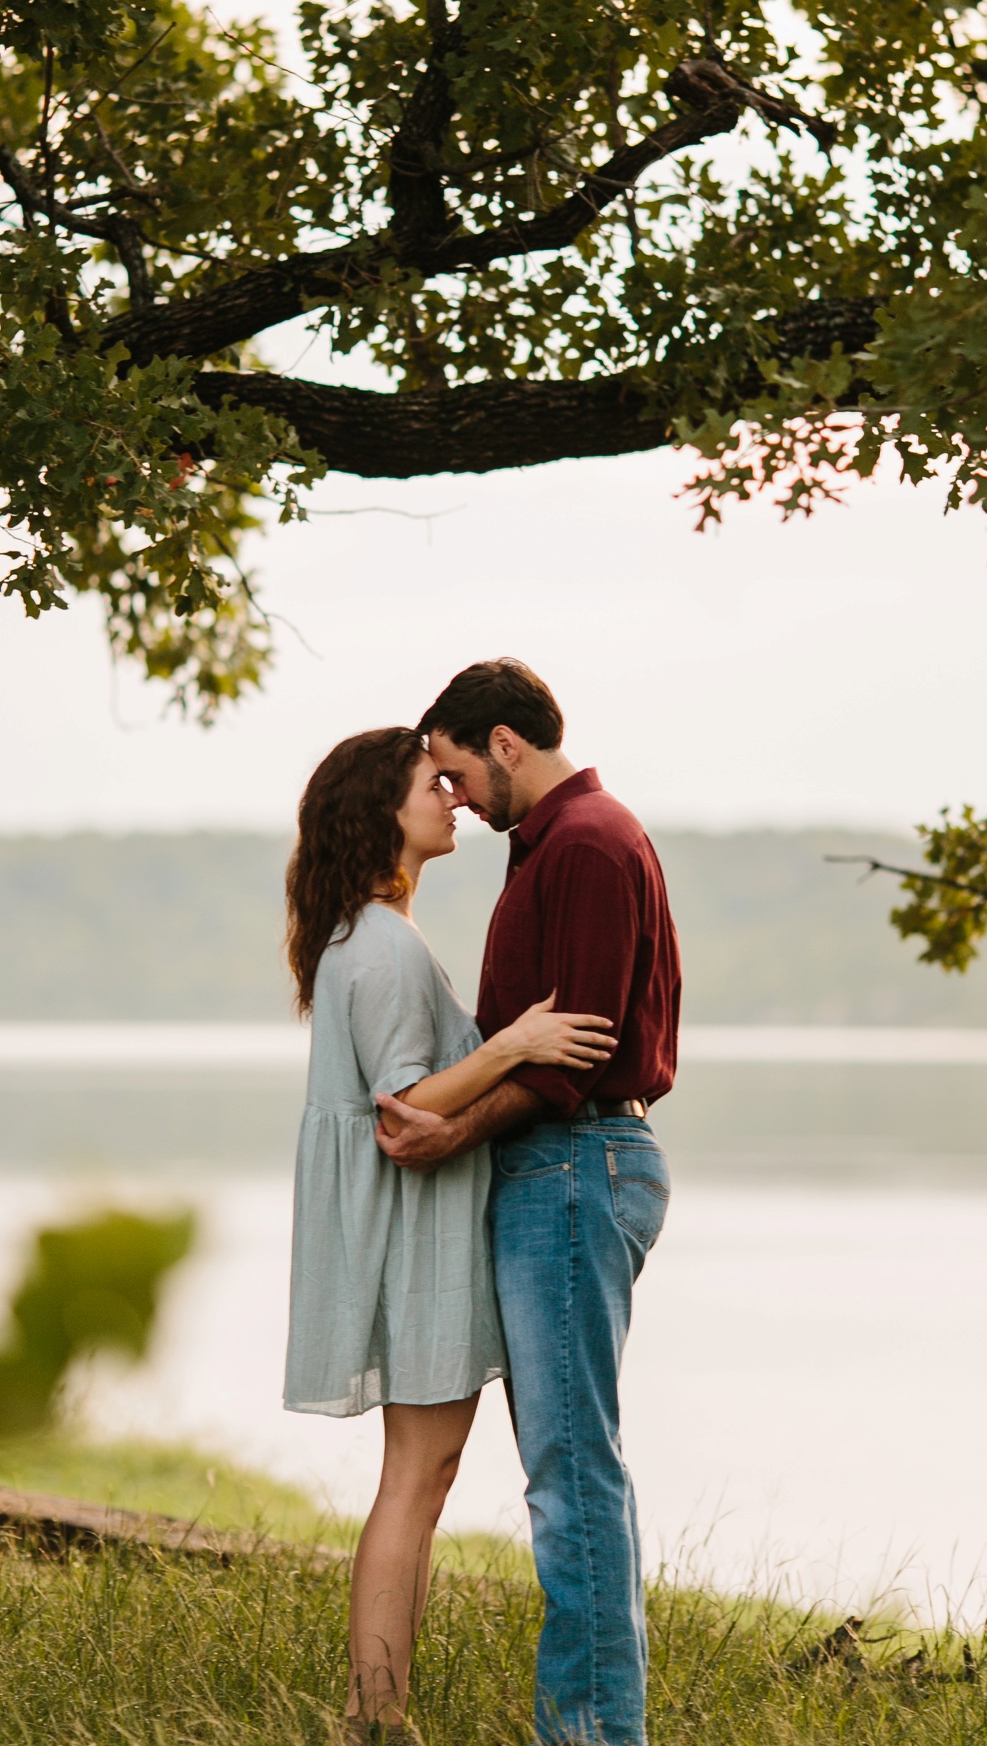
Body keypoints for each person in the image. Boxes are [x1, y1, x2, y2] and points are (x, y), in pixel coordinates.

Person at [283, 725, 618, 1739]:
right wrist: (515, 1043)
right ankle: (374, 1716)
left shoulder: (368, 933)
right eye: (430, 784)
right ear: (379, 813)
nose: (451, 797)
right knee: (417, 1477)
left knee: (421, 1476)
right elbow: (404, 1105)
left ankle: (377, 1712)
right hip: (414, 1235)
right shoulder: (382, 944)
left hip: (409, 1231)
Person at [375, 662, 681, 1746]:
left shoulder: (587, 842)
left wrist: (452, 1131)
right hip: (564, 1166)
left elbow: (574, 1052)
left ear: (504, 743)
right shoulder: (553, 844)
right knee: (575, 1465)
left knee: (570, 1473)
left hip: (573, 1163)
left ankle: (592, 1732)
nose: (455, 797)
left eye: (457, 773)